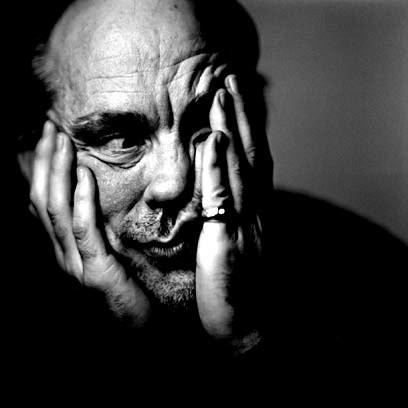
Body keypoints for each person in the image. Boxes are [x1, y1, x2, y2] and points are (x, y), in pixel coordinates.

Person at [7, 0, 407, 398]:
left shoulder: (374, 276)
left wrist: (248, 343)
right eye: (122, 140)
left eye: (204, 125)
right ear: (33, 159)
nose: (173, 182)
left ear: (255, 121)